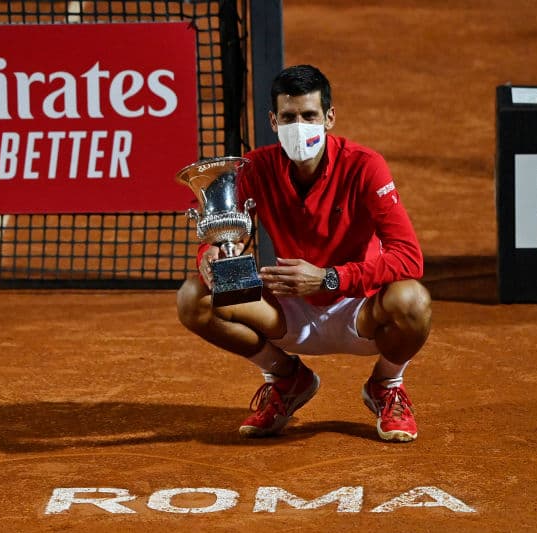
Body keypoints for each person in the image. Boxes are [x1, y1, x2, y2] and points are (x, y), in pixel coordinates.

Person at [176, 64, 431, 442]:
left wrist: (331, 276)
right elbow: (222, 231)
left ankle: (386, 385)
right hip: (288, 309)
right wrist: (210, 255)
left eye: (309, 115)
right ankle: (285, 377)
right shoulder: (256, 167)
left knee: (413, 300)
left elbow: (410, 257)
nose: (299, 126)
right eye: (289, 116)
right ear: (273, 121)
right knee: (193, 298)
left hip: (359, 308)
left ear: (328, 117)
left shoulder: (365, 166)